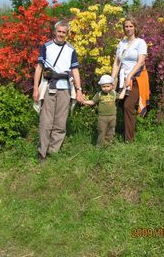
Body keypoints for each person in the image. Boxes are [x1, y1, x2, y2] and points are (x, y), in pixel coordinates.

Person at [33, 20, 84, 162]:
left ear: (67, 33)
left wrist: (79, 90)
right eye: (59, 31)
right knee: (46, 121)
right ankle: (42, 152)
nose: (61, 34)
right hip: (50, 87)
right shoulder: (46, 46)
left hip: (65, 89)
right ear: (55, 32)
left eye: (64, 32)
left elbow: (75, 70)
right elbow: (39, 68)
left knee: (60, 122)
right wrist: (35, 88)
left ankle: (52, 152)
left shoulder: (71, 49)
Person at [111, 16, 150, 142]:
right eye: (126, 26)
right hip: (123, 79)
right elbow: (117, 63)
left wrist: (130, 75)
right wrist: (112, 79)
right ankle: (126, 133)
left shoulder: (141, 43)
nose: (128, 29)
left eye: (130, 26)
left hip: (136, 78)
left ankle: (129, 140)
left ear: (135, 28)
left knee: (128, 105)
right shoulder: (121, 43)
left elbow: (140, 62)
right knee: (122, 105)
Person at [83, 74, 124, 146]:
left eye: (108, 86)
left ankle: (108, 144)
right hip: (102, 117)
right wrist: (84, 101)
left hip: (112, 116)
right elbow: (93, 102)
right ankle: (100, 146)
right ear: (101, 86)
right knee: (102, 131)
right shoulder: (99, 94)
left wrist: (125, 88)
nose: (106, 88)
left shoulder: (114, 93)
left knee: (110, 131)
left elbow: (121, 97)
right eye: (103, 86)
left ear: (112, 86)